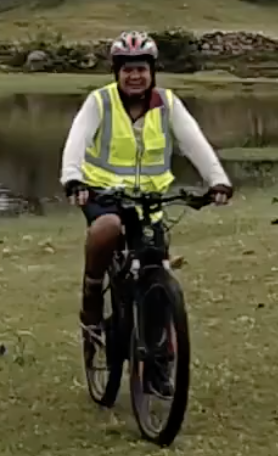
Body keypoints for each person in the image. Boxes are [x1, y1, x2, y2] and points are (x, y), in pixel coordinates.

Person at [58, 31, 233, 389]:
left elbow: (194, 142)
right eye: (127, 69)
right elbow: (76, 141)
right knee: (106, 228)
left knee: (157, 270)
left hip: (150, 202)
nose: (134, 76)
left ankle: (157, 367)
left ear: (152, 71)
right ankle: (91, 302)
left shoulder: (168, 104)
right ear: (116, 72)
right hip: (103, 195)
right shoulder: (100, 103)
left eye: (141, 69)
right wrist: (73, 179)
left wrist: (217, 180)